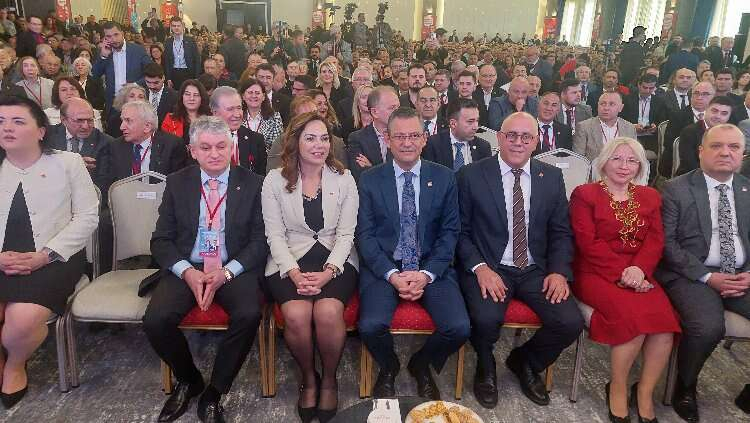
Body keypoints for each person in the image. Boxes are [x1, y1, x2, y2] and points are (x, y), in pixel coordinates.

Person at [143, 115, 267, 423]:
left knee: (249, 314)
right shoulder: (177, 182)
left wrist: (226, 273)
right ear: (193, 150)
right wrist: (188, 272)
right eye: (206, 147)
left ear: (232, 146)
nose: (214, 154)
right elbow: (161, 240)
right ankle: (189, 380)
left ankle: (215, 391)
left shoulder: (254, 184)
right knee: (156, 320)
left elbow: (260, 241)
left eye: (221, 146)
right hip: (189, 265)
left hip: (234, 266)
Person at [456, 112, 584, 409]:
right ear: (499, 138)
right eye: (511, 135)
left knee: (570, 322)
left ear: (536, 141)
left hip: (535, 268)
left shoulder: (551, 177)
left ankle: (525, 361)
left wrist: (558, 271)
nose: (518, 142)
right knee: (485, 318)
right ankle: (485, 366)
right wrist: (480, 268)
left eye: (526, 137)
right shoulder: (470, 175)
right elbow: (459, 231)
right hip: (490, 265)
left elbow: (561, 231)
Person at [356, 107, 470, 399]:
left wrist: (427, 274)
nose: (407, 143)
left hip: (431, 265)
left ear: (424, 138)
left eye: (414, 136)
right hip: (385, 267)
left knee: (458, 328)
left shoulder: (444, 177)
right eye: (399, 137)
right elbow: (365, 236)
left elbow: (450, 232)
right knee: (369, 326)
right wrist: (392, 275)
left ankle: (421, 365)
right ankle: (389, 366)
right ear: (388, 139)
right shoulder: (369, 179)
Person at [570, 137, 680, 423]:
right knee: (633, 320)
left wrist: (639, 270)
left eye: (632, 161)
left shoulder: (650, 196)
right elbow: (587, 243)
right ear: (604, 161)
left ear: (640, 166)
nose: (624, 166)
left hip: (641, 273)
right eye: (617, 158)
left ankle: (643, 392)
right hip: (595, 272)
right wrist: (624, 273)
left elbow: (655, 241)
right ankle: (617, 388)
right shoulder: (585, 194)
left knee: (664, 327)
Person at [0, 95, 98, 407]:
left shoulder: (67, 163)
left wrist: (45, 255)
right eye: (1, 122)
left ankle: (15, 364)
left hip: (55, 258)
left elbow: (87, 217)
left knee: (22, 319)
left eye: (18, 121)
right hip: (2, 258)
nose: (7, 128)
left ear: (41, 130)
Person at [262, 112, 358, 422]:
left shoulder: (344, 178)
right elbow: (274, 235)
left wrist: (329, 272)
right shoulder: (274, 180)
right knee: (296, 314)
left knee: (328, 313)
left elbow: (346, 235)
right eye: (310, 138)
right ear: (295, 142)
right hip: (290, 257)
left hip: (335, 257)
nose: (319, 145)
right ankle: (308, 377)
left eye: (324, 138)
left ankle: (329, 379)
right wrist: (293, 272)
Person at [655, 124, 750, 423]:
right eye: (716, 146)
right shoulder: (675, 189)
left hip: (741, 273)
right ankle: (685, 386)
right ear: (700, 151)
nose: (725, 152)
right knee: (707, 327)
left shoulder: (748, 189)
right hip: (691, 274)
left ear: (743, 153)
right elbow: (666, 244)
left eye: (734, 147)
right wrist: (709, 277)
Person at [44, 97, 112, 193]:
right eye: (79, 120)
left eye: (90, 120)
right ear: (63, 120)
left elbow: (103, 185)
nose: (85, 126)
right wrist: (75, 166)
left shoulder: (105, 143)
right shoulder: (47, 136)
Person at [109, 100, 187, 182]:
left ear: (147, 126)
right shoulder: (116, 146)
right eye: (122, 120)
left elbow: (178, 183)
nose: (121, 127)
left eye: (128, 121)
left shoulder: (172, 146)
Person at [91, 21, 152, 112]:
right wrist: (103, 56)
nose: (113, 39)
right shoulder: (104, 51)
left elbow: (151, 73)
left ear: (122, 34)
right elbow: (95, 75)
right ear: (105, 38)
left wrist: (135, 85)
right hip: (112, 104)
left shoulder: (137, 50)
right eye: (109, 36)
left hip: (134, 102)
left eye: (116, 34)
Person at [661, 81, 715, 178]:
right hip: (683, 162)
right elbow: (669, 143)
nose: (699, 97)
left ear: (714, 97)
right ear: (691, 96)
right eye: (696, 93)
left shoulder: (717, 117)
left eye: (705, 94)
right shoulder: (677, 115)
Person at [210, 86, 267, 176]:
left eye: (239, 108)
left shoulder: (255, 139)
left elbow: (261, 177)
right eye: (230, 109)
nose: (237, 114)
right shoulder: (203, 140)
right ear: (215, 113)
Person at [347, 85, 400, 181]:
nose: (397, 112)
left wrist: (372, 167)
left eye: (398, 107)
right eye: (392, 108)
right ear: (375, 112)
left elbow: (405, 173)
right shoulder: (357, 139)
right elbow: (361, 177)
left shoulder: (406, 136)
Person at [422, 98, 491, 170]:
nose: (475, 127)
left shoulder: (483, 147)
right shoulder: (433, 144)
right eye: (470, 121)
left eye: (477, 121)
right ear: (453, 124)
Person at [675, 96, 734, 176]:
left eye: (724, 113)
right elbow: (689, 165)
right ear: (706, 110)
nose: (718, 116)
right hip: (692, 177)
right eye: (714, 111)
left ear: (729, 116)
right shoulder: (689, 132)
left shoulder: (731, 134)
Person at [573, 92, 637, 162]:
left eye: (611, 104)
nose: (606, 108)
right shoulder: (584, 127)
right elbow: (578, 159)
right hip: (594, 168)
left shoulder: (629, 128)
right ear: (598, 106)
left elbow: (634, 156)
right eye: (603, 104)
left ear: (620, 108)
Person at [238, 78, 283, 151]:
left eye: (257, 93)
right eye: (250, 92)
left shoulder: (275, 118)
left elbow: (278, 147)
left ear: (263, 96)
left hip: (267, 157)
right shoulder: (237, 117)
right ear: (243, 96)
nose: (254, 96)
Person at [161, 79, 212, 144]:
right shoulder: (170, 119)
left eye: (196, 95)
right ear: (182, 96)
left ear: (202, 98)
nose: (191, 98)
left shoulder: (211, 119)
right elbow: (165, 145)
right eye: (187, 94)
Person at [163, 17, 201, 91]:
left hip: (188, 73)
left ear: (182, 26)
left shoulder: (190, 41)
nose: (176, 28)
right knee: (175, 95)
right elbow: (167, 61)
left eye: (178, 25)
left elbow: (197, 59)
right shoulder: (168, 42)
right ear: (171, 27)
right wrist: (168, 78)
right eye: (174, 26)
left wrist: (197, 77)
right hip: (174, 73)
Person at [142, 63, 177, 128]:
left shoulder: (174, 96)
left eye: (156, 83)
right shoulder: (141, 94)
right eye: (148, 82)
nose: (152, 86)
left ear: (163, 78)